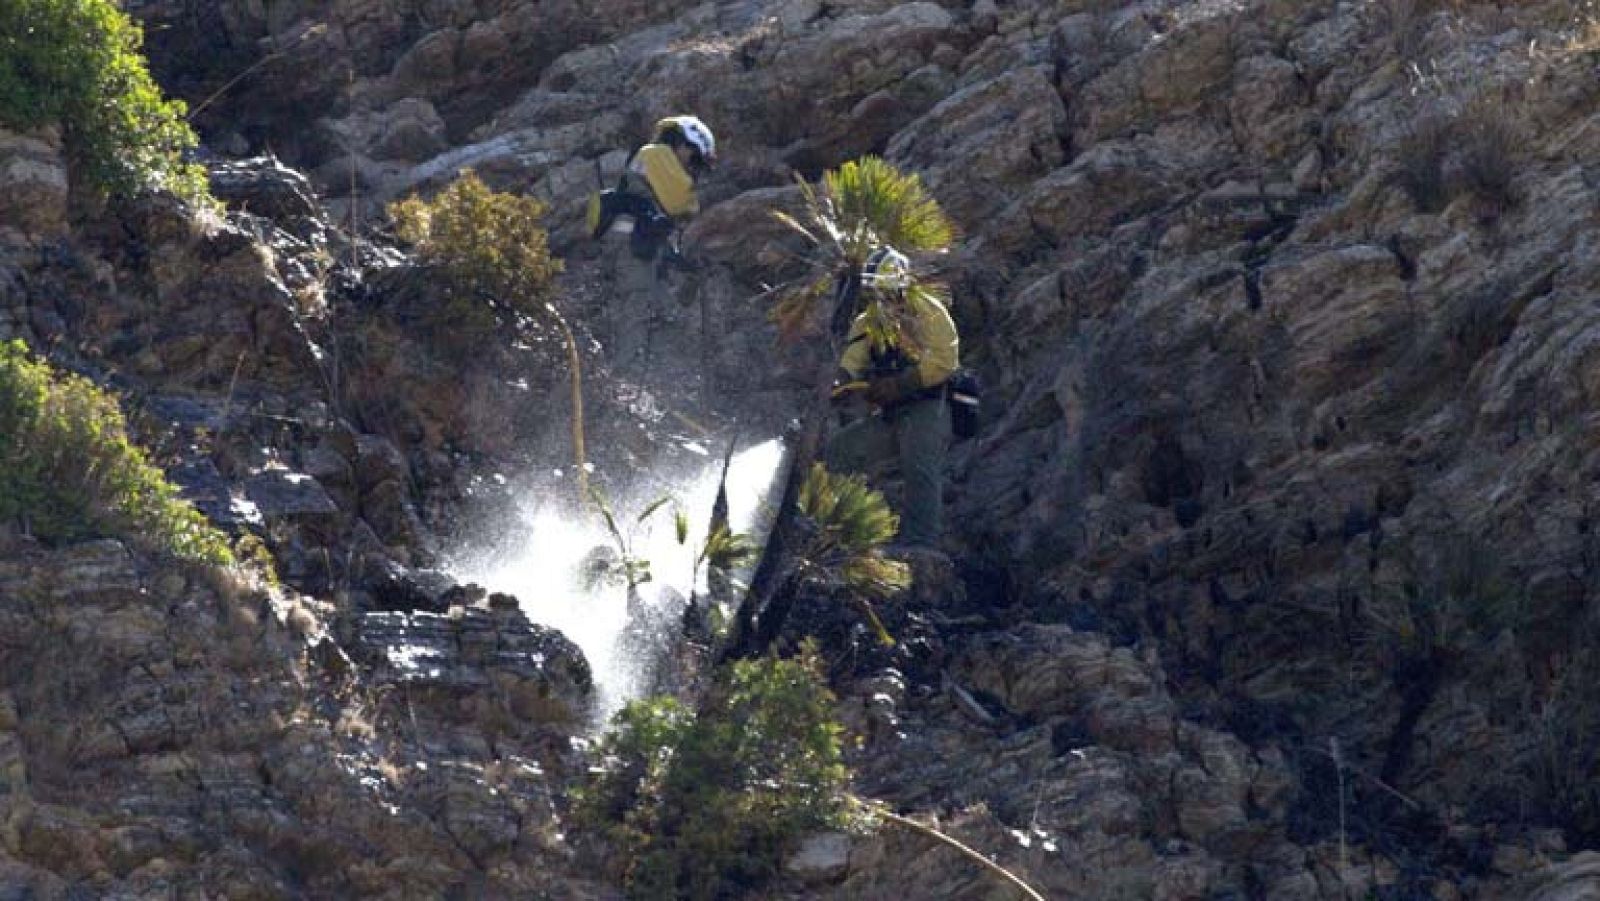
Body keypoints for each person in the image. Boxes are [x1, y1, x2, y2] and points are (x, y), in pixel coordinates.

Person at [824, 246, 959, 548]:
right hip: (891, 414)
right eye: (875, 292)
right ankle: (840, 531)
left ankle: (919, 545)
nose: (880, 298)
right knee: (839, 451)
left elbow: (944, 360)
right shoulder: (868, 322)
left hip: (927, 408)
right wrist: (838, 384)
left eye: (884, 291)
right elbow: (852, 359)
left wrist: (899, 385)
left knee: (920, 469)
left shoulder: (929, 311)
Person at [604, 115, 716, 366]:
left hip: (642, 246)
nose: (693, 167)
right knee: (636, 310)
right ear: (684, 144)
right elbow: (682, 202)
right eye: (695, 158)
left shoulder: (655, 160)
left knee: (661, 314)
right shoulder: (655, 153)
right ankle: (625, 378)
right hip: (632, 248)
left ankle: (644, 378)